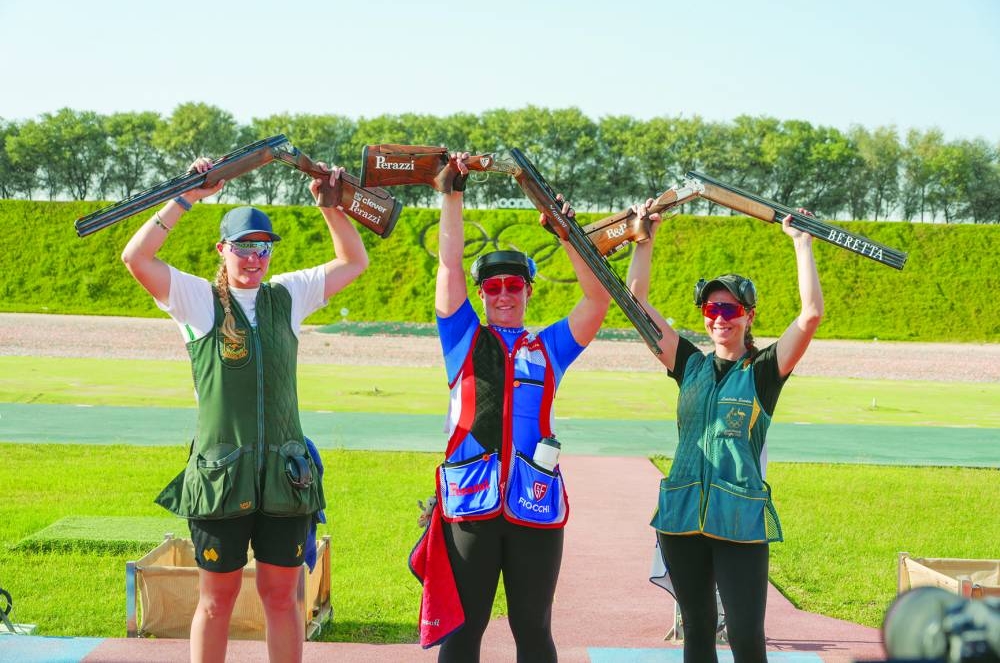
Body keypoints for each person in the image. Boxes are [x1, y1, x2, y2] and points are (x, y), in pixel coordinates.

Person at [120, 158, 368, 663]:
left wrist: (330, 205)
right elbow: (135, 257)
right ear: (223, 250)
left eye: (263, 246)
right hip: (220, 479)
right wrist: (190, 195)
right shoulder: (197, 300)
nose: (254, 257)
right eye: (243, 247)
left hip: (284, 479)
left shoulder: (288, 295)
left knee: (282, 600)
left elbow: (354, 261)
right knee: (216, 602)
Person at [415, 153, 612, 662]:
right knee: (465, 631)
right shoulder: (461, 337)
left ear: (527, 290)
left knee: (533, 629)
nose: (504, 295)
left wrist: (567, 233)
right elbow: (447, 264)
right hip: (472, 503)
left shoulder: (549, 347)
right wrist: (451, 195)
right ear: (482, 294)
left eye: (514, 286)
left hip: (535, 502)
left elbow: (596, 302)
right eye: (494, 287)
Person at [626, 201, 824, 663]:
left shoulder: (764, 370)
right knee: (696, 630)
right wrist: (644, 239)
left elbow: (810, 314)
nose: (719, 317)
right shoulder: (689, 364)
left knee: (745, 637)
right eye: (712, 308)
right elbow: (635, 303)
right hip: (683, 517)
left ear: (749, 315)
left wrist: (802, 242)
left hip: (739, 521)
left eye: (730, 307)